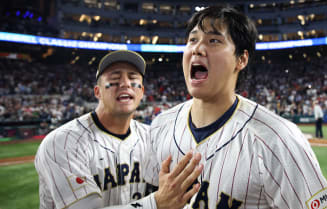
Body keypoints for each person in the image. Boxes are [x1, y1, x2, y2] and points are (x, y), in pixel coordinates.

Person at [144, 6, 327, 209]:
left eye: (214, 40)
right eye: (193, 40)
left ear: (241, 59)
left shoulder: (277, 139)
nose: (197, 48)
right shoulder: (161, 125)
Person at [34, 50, 203, 209]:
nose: (125, 83)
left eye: (132, 78)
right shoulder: (63, 143)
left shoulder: (153, 138)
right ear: (97, 92)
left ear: (142, 91)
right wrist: (156, 203)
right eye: (115, 78)